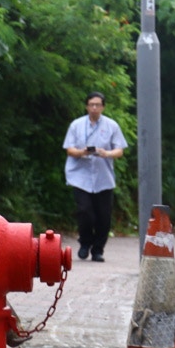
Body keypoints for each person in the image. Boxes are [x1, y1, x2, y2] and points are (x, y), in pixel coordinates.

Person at [62, 91, 127, 263]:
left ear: (103, 107)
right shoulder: (76, 125)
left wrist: (106, 153)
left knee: (103, 216)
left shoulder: (111, 125)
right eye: (91, 104)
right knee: (85, 211)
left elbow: (119, 150)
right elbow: (69, 149)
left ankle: (98, 249)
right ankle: (85, 243)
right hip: (80, 176)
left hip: (103, 177)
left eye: (98, 105)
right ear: (87, 106)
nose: (94, 108)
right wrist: (83, 152)